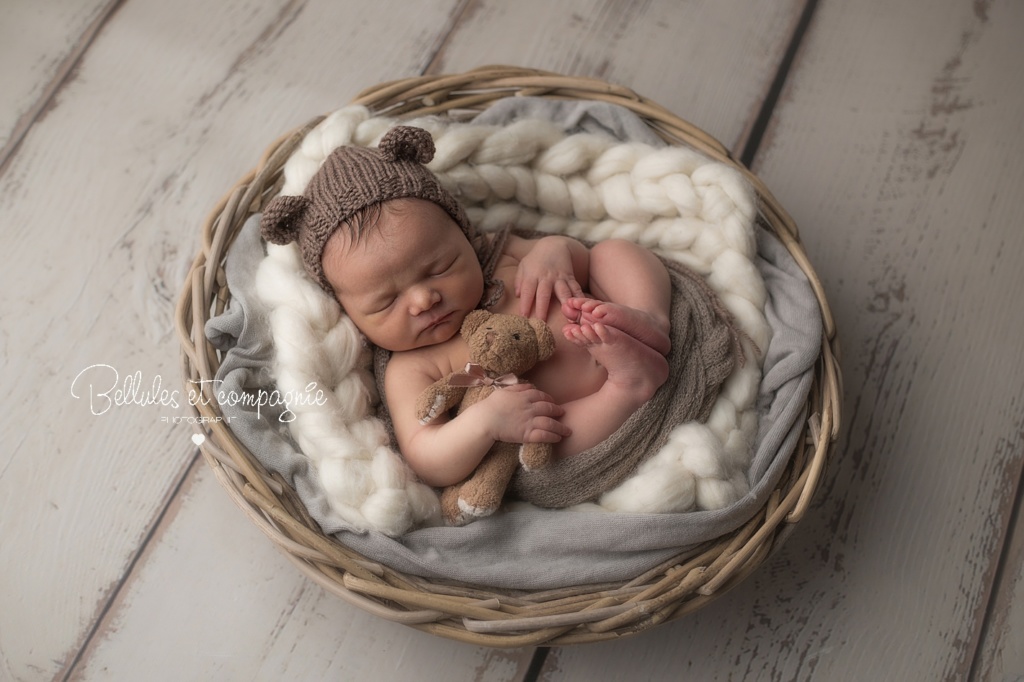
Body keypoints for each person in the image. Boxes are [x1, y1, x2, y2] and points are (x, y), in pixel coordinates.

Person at [262, 126, 672, 488]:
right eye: (386, 301)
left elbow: (579, 261)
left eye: (440, 267)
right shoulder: (411, 368)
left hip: (609, 321)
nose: (424, 299)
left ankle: (649, 320)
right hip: (577, 411)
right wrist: (485, 423)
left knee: (613, 253)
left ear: (465, 235)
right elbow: (426, 455)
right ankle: (629, 388)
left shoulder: (499, 255)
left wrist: (553, 253)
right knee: (547, 442)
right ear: (348, 312)